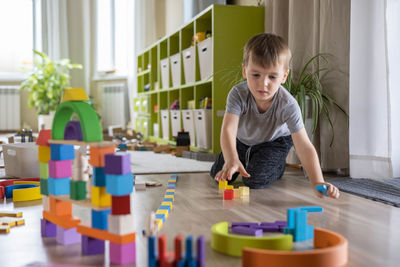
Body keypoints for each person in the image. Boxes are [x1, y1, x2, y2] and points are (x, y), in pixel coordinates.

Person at [210, 33, 339, 199]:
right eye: (256, 75)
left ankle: (278, 166)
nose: (263, 83)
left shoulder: (288, 104)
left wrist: (318, 182)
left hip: (274, 142)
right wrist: (231, 158)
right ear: (244, 71)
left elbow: (304, 146)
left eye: (272, 77)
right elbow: (228, 130)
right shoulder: (237, 94)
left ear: (284, 76)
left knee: (255, 181)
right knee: (219, 175)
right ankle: (238, 159)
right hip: (242, 140)